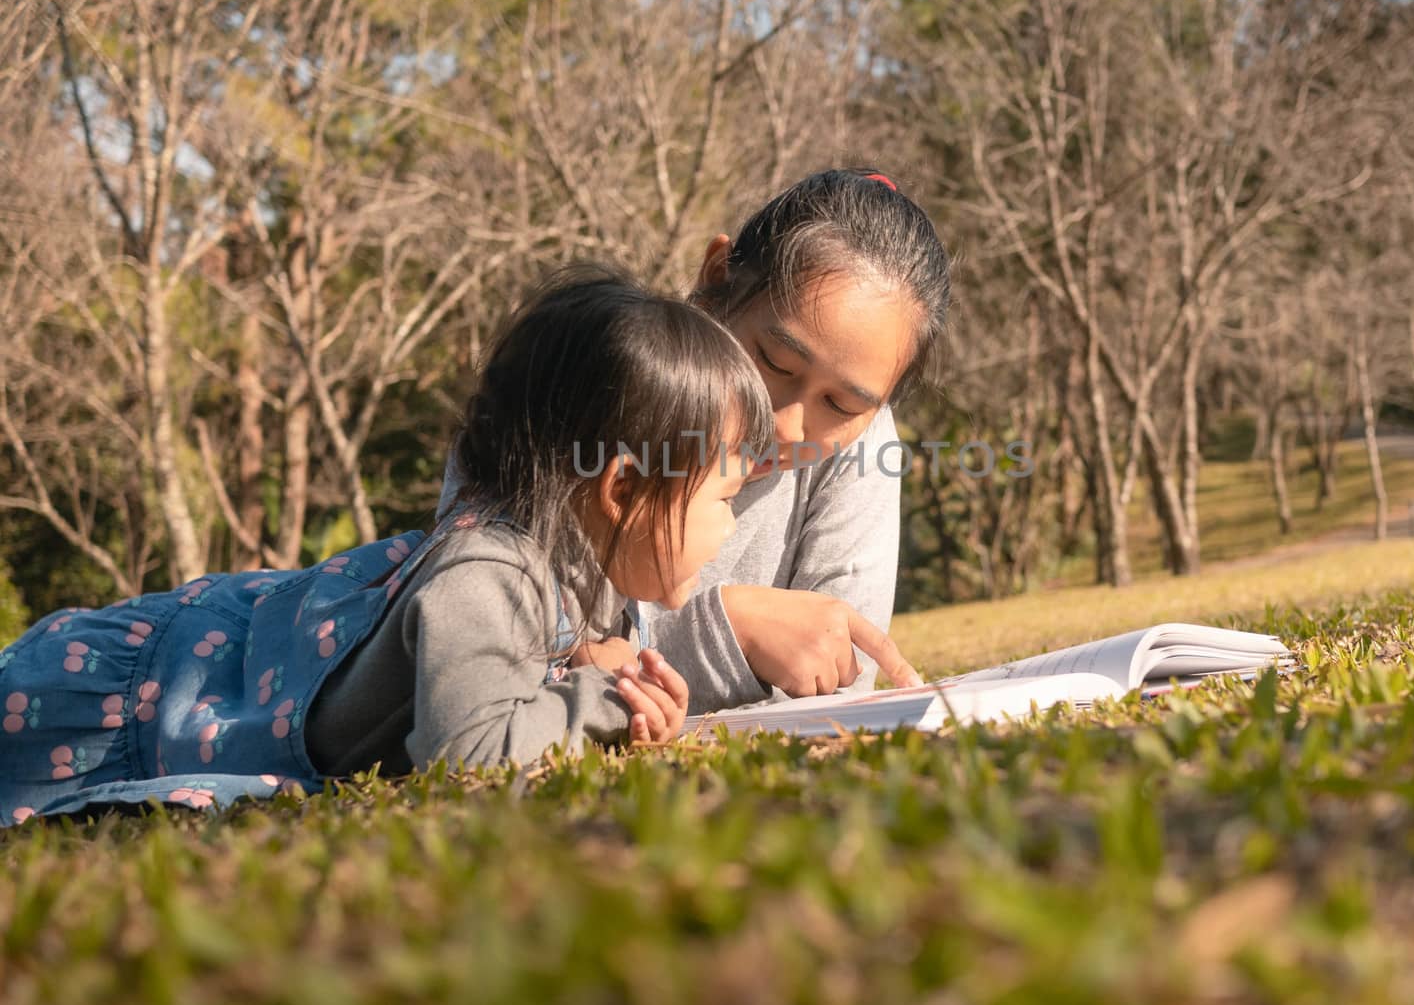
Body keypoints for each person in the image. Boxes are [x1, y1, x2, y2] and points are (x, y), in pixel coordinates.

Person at [0, 269, 772, 824]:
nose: (730, 529)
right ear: (623, 490)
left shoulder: (548, 565)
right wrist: (607, 703)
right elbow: (471, 752)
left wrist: (583, 665)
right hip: (105, 704)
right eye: (724, 500)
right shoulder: (489, 572)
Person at [546, 168, 953, 712]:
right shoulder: (586, 380)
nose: (787, 425)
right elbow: (495, 658)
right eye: (774, 361)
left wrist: (633, 658)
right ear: (716, 278)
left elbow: (836, 671)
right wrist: (728, 630)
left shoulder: (863, 447)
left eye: (841, 405)